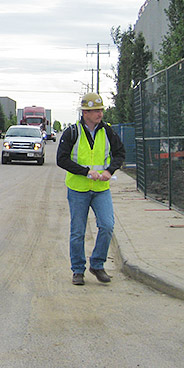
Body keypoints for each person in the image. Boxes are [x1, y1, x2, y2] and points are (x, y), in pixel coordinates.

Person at [56, 92, 125, 286]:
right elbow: (61, 159)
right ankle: (78, 270)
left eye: (101, 110)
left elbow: (120, 153)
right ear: (85, 112)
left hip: (101, 189)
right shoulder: (72, 132)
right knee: (78, 231)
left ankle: (97, 264)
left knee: (107, 225)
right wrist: (86, 172)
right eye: (95, 110)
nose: (100, 114)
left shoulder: (108, 131)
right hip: (78, 189)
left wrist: (110, 170)